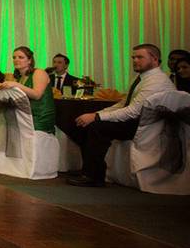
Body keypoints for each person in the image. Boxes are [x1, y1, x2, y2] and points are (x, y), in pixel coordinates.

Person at [67, 43, 175, 187]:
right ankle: (88, 168)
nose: (135, 60)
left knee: (97, 127)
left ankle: (94, 176)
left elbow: (133, 111)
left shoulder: (156, 81)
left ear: (154, 59)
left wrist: (97, 117)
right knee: (82, 122)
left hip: (146, 126)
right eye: (133, 57)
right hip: (136, 121)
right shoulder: (141, 78)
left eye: (140, 57)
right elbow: (123, 104)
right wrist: (96, 113)